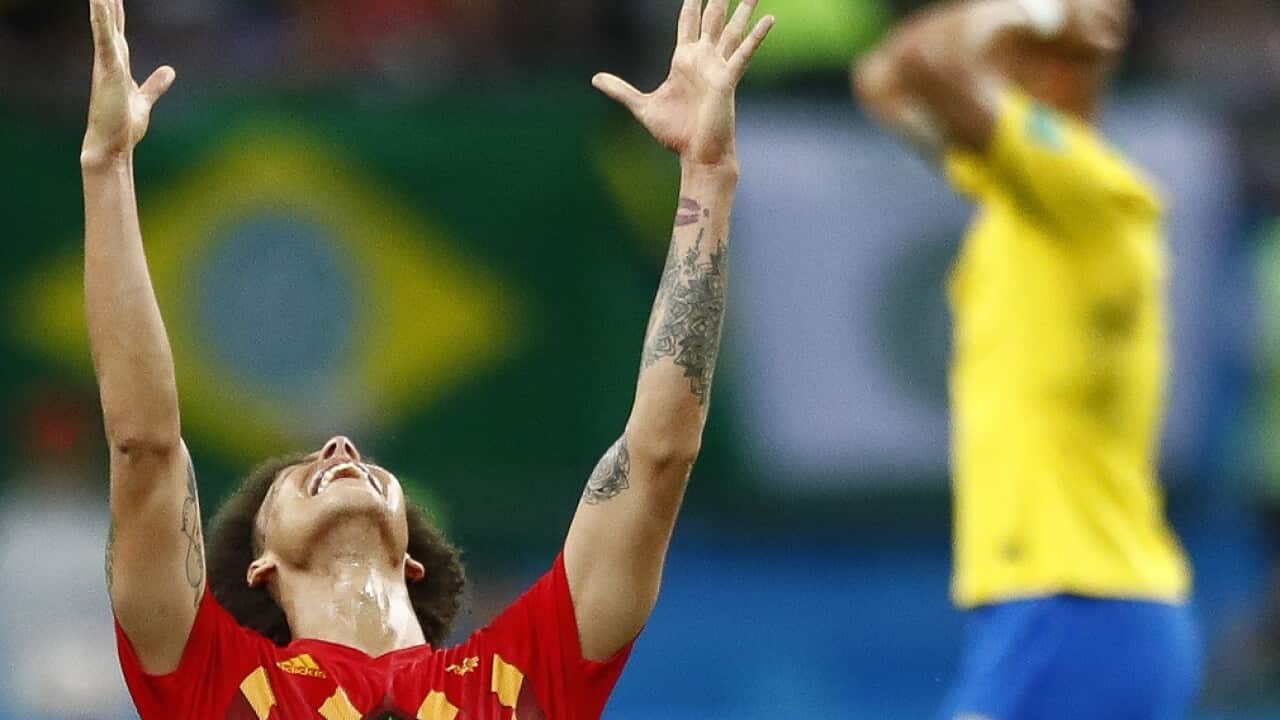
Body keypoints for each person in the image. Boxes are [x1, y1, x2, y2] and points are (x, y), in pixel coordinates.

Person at [81, 0, 773, 716]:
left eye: (342, 455)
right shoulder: (215, 683)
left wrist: (708, 173)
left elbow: (659, 453)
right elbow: (144, 445)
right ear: (262, 567)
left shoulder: (522, 671)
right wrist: (107, 167)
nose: (339, 448)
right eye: (294, 476)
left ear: (411, 558)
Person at [853, 1, 1200, 718]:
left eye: (1005, 60)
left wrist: (1035, 11)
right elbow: (882, 77)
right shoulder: (1022, 193)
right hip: (1066, 606)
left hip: (1080, 606)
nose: (984, 73)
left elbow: (923, 61)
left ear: (1056, 77)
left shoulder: (1090, 188)